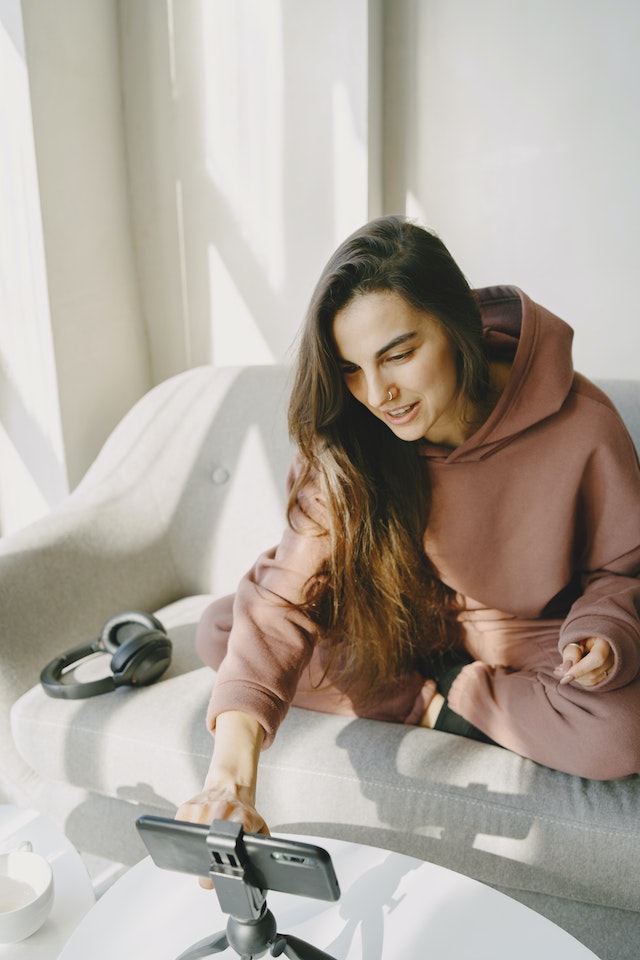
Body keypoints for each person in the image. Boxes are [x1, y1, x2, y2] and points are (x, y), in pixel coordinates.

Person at [176, 215, 640, 837]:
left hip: (523, 633)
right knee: (226, 630)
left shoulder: (581, 423)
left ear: (458, 326)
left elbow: (621, 570)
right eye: (351, 367)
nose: (378, 393)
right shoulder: (350, 433)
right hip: (394, 619)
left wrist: (602, 635)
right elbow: (281, 598)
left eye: (399, 355)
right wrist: (227, 782)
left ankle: (461, 695)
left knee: (619, 730)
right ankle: (424, 703)